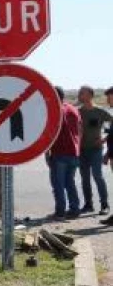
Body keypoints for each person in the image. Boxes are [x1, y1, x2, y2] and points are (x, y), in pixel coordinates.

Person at [78, 86, 113, 214]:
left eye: (82, 93)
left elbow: (112, 126)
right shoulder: (78, 112)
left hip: (96, 150)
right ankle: (88, 205)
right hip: (82, 150)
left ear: (90, 96)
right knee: (85, 178)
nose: (79, 95)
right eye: (79, 93)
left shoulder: (100, 112)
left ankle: (104, 205)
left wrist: (104, 139)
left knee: (98, 176)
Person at [48, 86, 82, 219]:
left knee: (58, 184)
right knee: (70, 183)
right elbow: (80, 129)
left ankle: (60, 211)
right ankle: (74, 209)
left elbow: (50, 132)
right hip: (74, 151)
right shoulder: (73, 108)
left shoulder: (56, 110)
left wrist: (47, 153)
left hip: (60, 151)